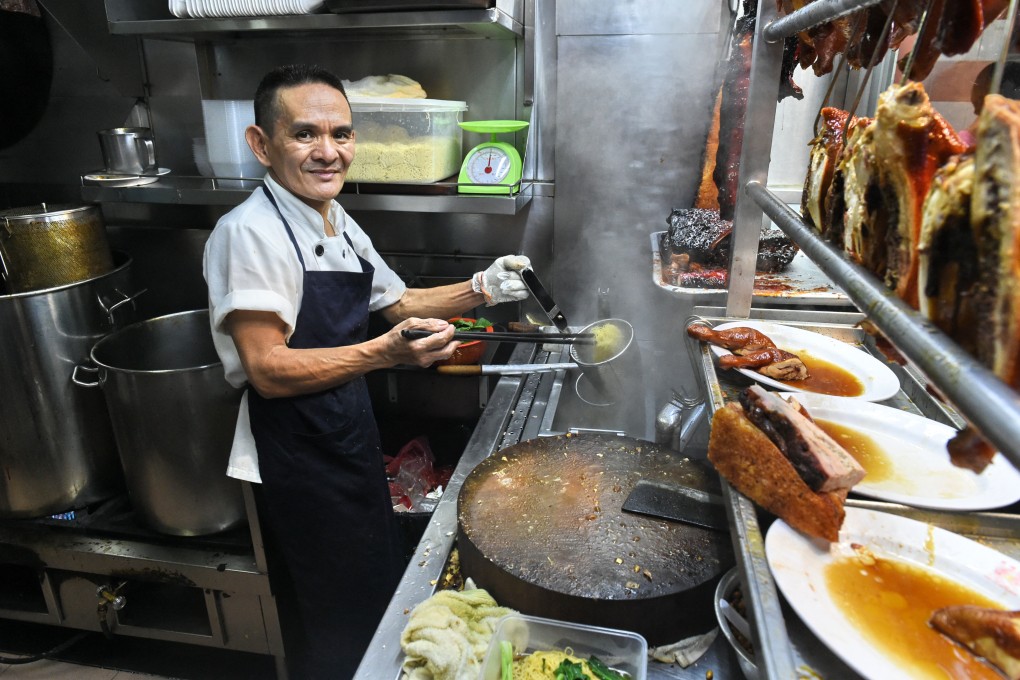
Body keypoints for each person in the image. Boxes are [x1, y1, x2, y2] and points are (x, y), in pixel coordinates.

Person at [202, 63, 530, 679]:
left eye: (342, 134)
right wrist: (385, 353)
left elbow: (397, 303)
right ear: (260, 144)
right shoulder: (250, 234)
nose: (329, 152)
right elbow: (268, 368)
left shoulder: (332, 217)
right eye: (305, 135)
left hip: (343, 429)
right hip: (294, 453)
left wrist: (484, 287)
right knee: (334, 616)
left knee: (374, 594)